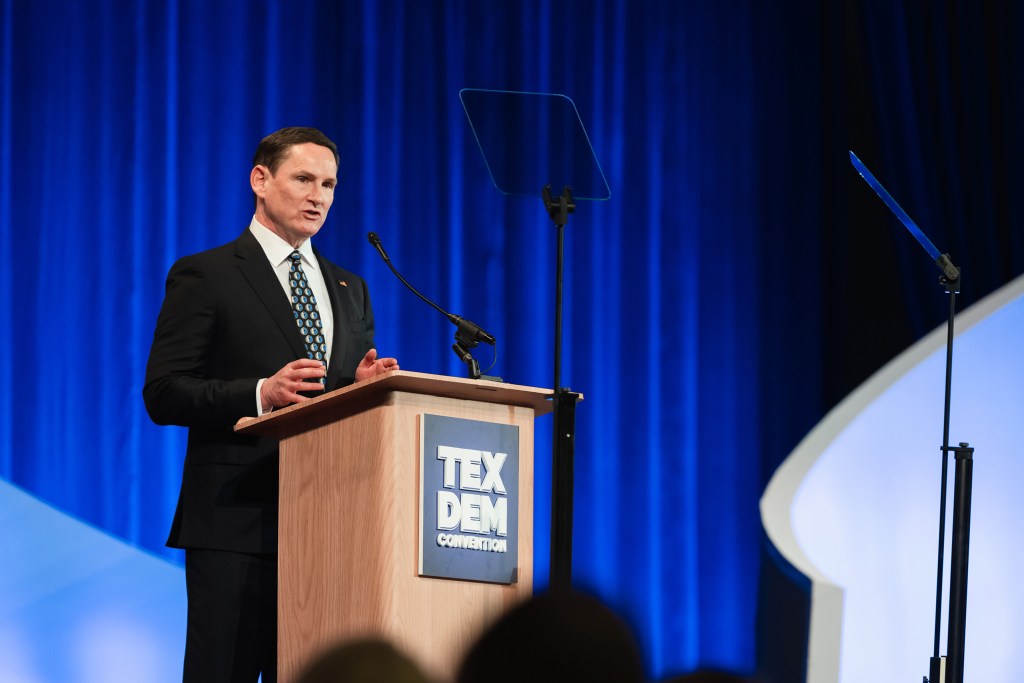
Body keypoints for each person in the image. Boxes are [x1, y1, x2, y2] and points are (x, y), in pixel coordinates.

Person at [144, 126, 399, 683]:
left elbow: (325, 397)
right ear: (260, 180)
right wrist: (262, 393)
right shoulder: (206, 274)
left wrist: (358, 389)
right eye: (304, 178)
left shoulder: (349, 287)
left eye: (329, 184)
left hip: (330, 525)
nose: (319, 196)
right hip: (236, 522)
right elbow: (164, 392)